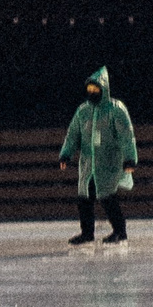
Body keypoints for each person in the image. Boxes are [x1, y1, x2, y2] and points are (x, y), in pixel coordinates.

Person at [60, 66, 137, 246]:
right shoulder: (83, 112)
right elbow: (73, 135)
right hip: (88, 164)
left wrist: (130, 158)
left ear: (104, 89)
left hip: (109, 162)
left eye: (96, 89)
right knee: (84, 198)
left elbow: (127, 136)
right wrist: (66, 154)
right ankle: (87, 233)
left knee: (107, 197)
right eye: (90, 89)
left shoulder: (115, 110)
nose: (92, 92)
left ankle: (120, 231)